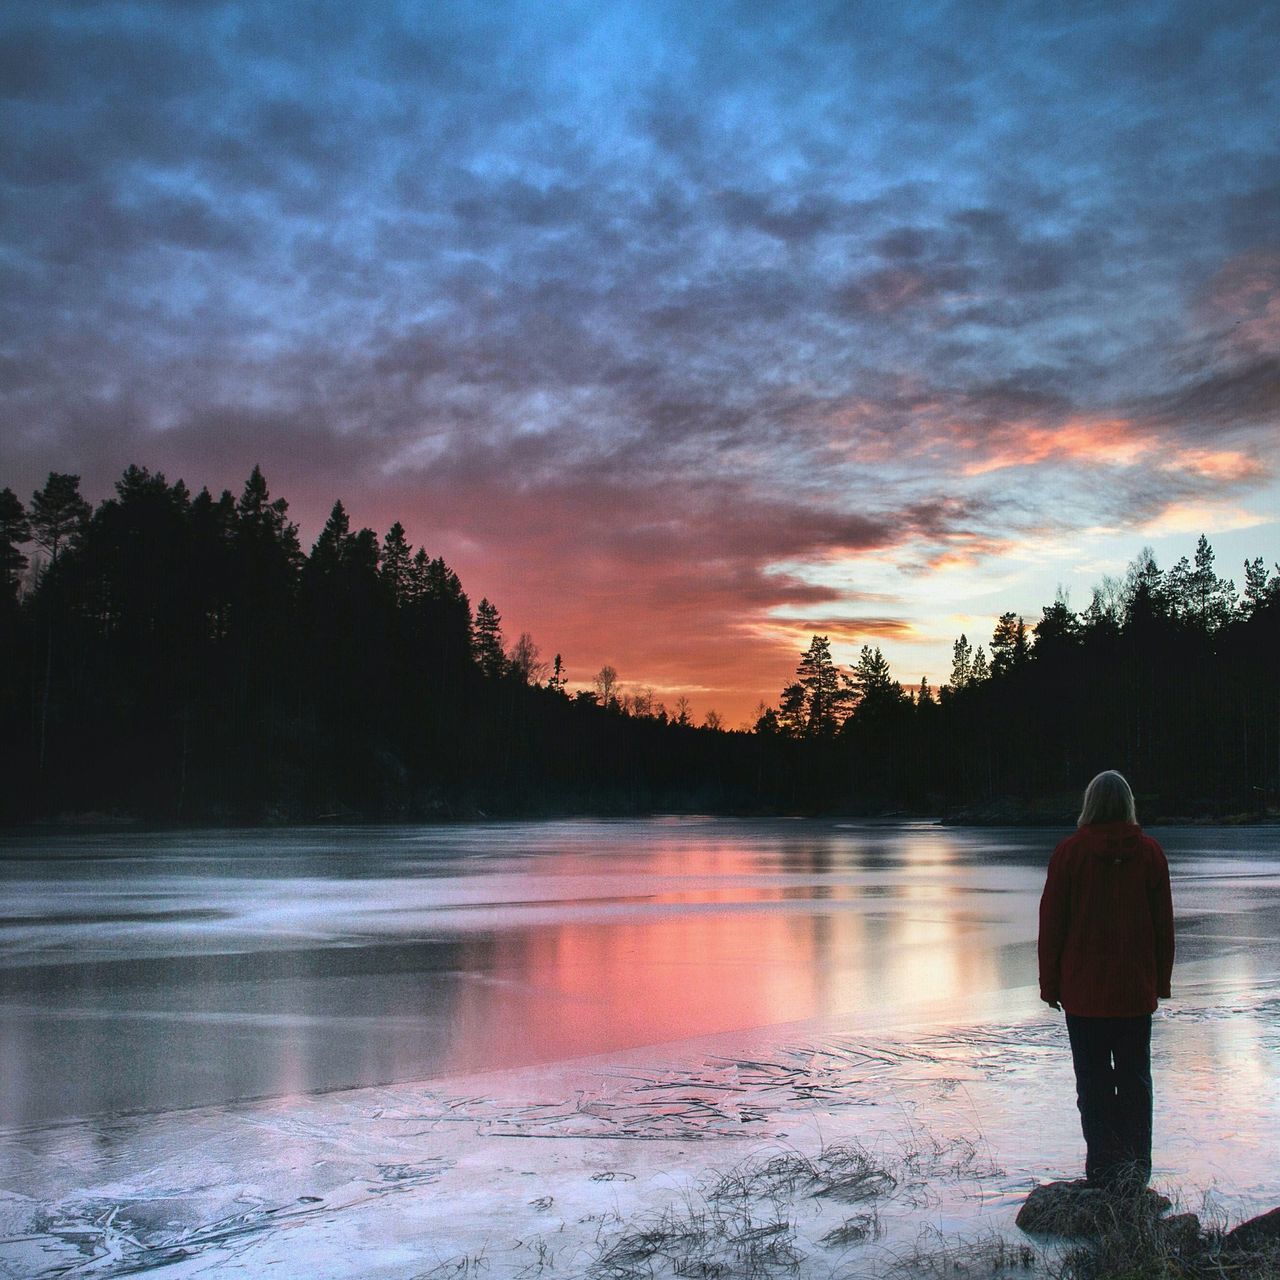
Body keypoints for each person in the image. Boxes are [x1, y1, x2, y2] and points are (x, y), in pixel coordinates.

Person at [1038, 770, 1174, 1191]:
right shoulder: (1150, 853)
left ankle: (1102, 1171)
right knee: (1135, 1082)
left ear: (1089, 804)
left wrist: (1050, 984)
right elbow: (1162, 927)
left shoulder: (1069, 854)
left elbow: (1052, 924)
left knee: (1094, 1084)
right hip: (1134, 992)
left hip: (1084, 995)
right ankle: (1136, 1172)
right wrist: (1160, 982)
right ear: (1128, 804)